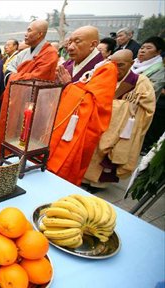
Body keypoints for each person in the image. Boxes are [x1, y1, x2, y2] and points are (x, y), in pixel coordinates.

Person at [47, 26, 118, 186]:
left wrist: (69, 86)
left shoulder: (105, 69)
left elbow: (94, 107)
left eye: (77, 42)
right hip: (55, 128)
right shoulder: (69, 65)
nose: (70, 47)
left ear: (93, 45)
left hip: (75, 134)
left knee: (61, 178)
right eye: (69, 41)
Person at [84, 49, 155, 190]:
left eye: (121, 65)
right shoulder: (102, 75)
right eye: (112, 64)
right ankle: (84, 177)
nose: (116, 69)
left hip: (121, 127)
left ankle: (99, 184)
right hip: (97, 121)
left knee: (107, 161)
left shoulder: (140, 82)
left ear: (132, 63)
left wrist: (121, 108)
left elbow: (147, 109)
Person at [0, 19, 58, 159]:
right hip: (17, 99)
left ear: (40, 34)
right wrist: (15, 75)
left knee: (26, 137)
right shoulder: (24, 52)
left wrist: (15, 76)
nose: (25, 33)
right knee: (11, 134)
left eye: (29, 30)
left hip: (33, 103)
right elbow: (9, 70)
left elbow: (37, 78)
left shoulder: (49, 53)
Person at [133, 36, 165, 153]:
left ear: (158, 52)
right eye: (142, 47)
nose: (142, 50)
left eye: (148, 48)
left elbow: (149, 90)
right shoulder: (133, 64)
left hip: (139, 110)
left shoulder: (160, 70)